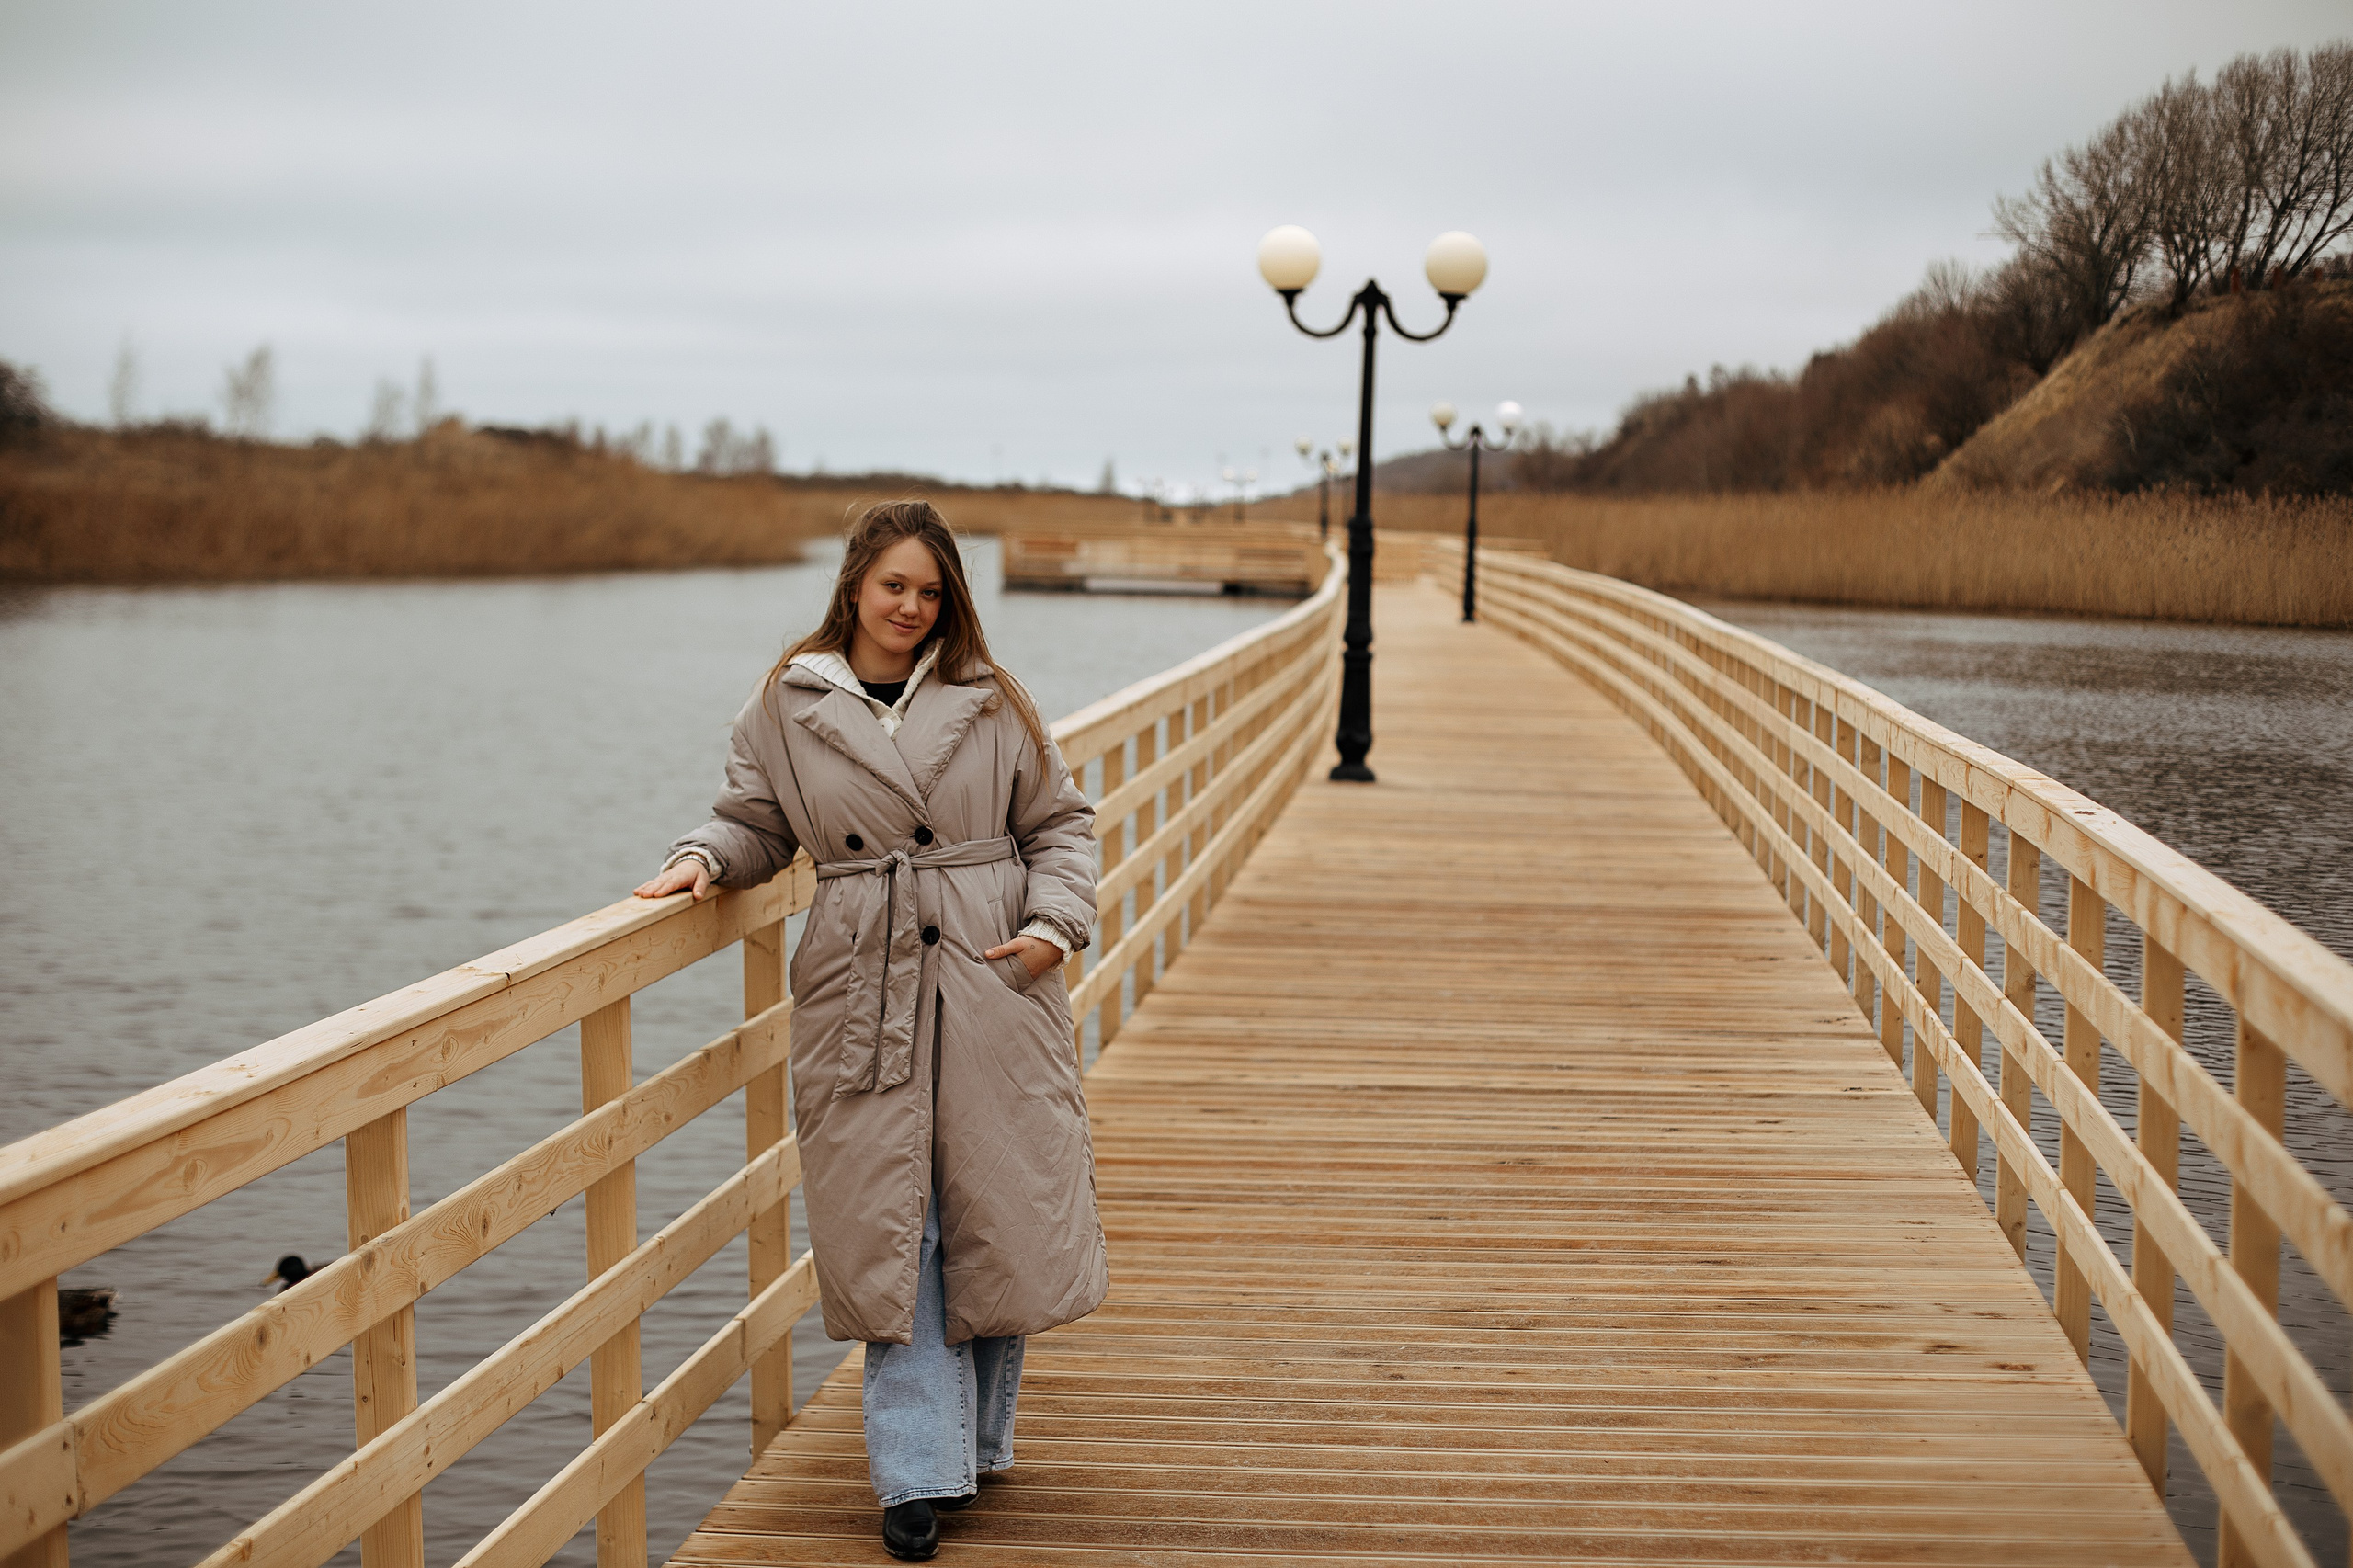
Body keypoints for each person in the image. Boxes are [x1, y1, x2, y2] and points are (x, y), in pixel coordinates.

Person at [635, 500, 1107, 1561]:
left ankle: (972, 1443)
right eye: (894, 584)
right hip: (863, 977)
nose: (910, 607)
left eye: (931, 590)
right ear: (854, 582)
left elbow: (1059, 824)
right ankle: (915, 1472)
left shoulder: (992, 697)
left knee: (992, 1205)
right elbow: (755, 820)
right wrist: (702, 858)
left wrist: (1052, 927)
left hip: (992, 969)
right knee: (895, 1223)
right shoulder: (788, 700)